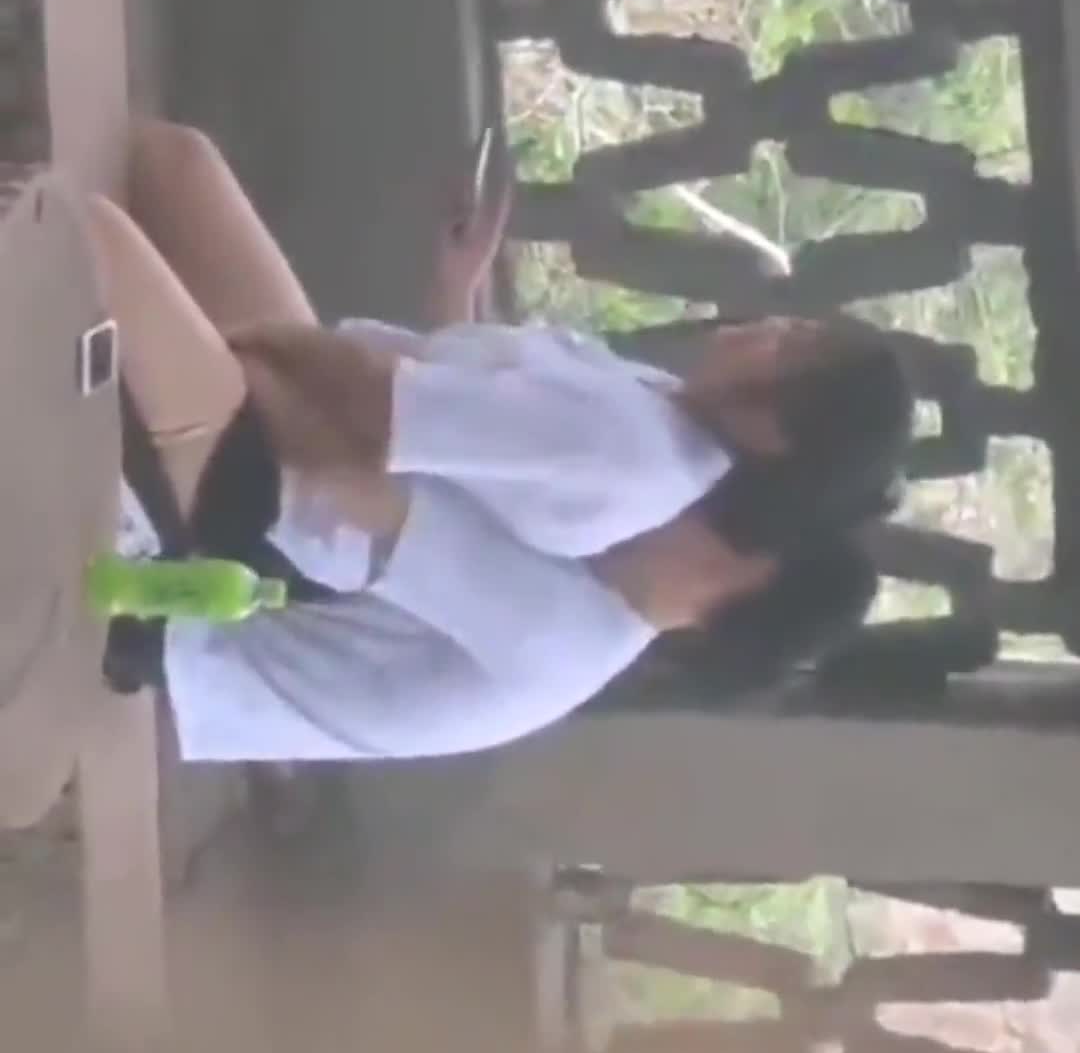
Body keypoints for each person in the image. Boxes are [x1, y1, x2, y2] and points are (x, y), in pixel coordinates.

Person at [88, 123, 910, 762]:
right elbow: (465, 451)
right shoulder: (626, 514)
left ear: (747, 575)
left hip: (202, 582)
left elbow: (353, 478)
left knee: (96, 244)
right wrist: (456, 298)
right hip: (294, 480)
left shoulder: (565, 628)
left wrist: (246, 351)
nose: (713, 502)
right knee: (176, 165)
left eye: (735, 519)